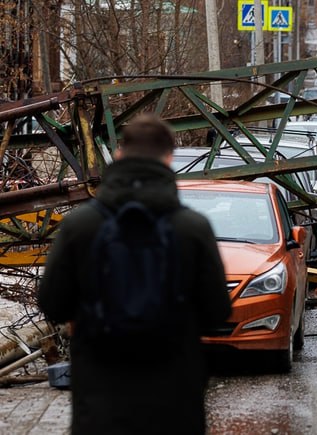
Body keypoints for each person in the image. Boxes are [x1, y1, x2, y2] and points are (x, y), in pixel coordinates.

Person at [38, 114, 232, 434]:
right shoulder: (193, 227)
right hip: (175, 399)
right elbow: (217, 312)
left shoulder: (80, 225)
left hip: (101, 399)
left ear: (118, 155)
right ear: (169, 159)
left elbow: (52, 303)